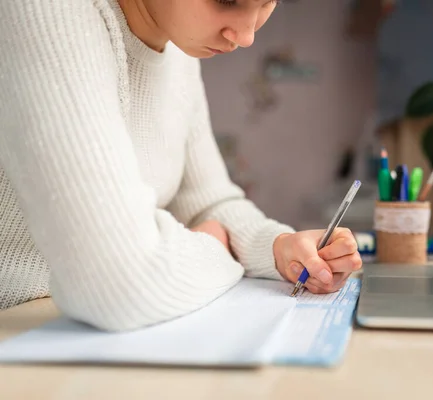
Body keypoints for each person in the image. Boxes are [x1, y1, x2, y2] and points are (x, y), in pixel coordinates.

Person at [0, 0, 362, 331]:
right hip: (17, 330)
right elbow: (117, 283)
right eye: (227, 1)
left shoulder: (178, 50)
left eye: (268, 1)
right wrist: (214, 247)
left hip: (77, 332)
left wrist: (278, 248)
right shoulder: (46, 11)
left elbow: (210, 203)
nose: (247, 35)